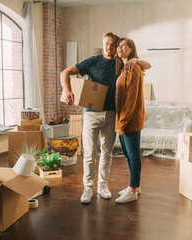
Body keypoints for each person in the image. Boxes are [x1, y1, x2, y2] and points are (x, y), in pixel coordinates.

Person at [60, 32, 150, 204]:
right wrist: (67, 90)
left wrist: (135, 60)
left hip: (111, 115)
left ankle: (103, 185)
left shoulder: (121, 63)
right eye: (107, 44)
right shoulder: (92, 61)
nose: (110, 47)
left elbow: (147, 65)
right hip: (91, 114)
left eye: (113, 45)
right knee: (90, 153)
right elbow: (65, 72)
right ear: (103, 43)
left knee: (107, 153)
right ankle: (88, 187)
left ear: (117, 47)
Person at [114, 37, 145, 204]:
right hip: (123, 120)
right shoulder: (125, 68)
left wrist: (122, 123)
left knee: (133, 155)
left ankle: (132, 190)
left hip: (129, 121)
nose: (120, 47)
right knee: (128, 154)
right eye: (118, 45)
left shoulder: (133, 69)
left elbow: (130, 100)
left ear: (131, 49)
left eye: (124, 45)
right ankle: (135, 186)